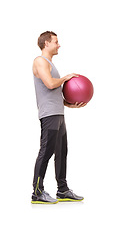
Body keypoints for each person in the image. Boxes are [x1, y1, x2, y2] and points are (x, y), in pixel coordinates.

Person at [32, 31, 86, 204]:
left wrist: (68, 104)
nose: (59, 44)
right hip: (49, 115)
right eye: (56, 41)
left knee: (62, 152)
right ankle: (37, 192)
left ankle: (62, 190)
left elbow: (52, 92)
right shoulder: (39, 61)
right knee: (46, 152)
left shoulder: (50, 64)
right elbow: (49, 83)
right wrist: (65, 78)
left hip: (58, 113)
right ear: (46, 43)